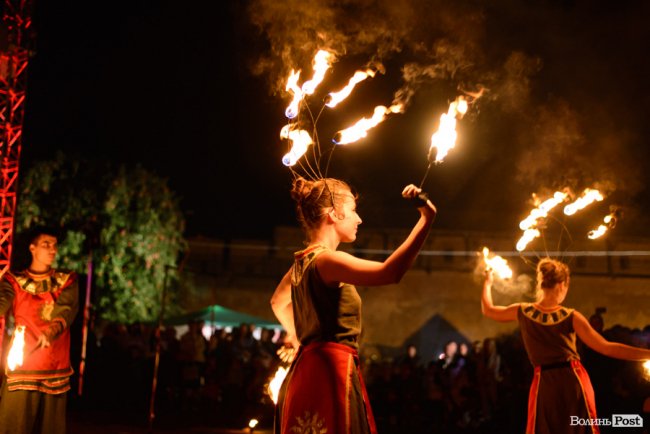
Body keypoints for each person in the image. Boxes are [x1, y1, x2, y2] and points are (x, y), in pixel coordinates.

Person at [271, 177, 436, 434]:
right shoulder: (328, 261)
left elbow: (277, 302)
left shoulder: (301, 263)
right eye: (352, 210)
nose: (359, 219)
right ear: (334, 214)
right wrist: (426, 219)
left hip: (305, 370)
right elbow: (389, 273)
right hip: (330, 372)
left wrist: (296, 336)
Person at [481, 257, 650, 434]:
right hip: (572, 381)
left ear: (541, 284)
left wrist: (487, 282)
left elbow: (488, 310)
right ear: (562, 284)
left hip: (545, 383)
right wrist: (647, 353)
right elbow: (606, 347)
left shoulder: (523, 311)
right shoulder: (571, 316)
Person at [0, 227, 79, 434]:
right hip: (22, 369)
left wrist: (51, 331)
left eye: (54, 245)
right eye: (46, 245)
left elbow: (66, 310)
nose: (52, 250)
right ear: (32, 248)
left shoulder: (67, 280)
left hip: (54, 369)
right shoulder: (13, 280)